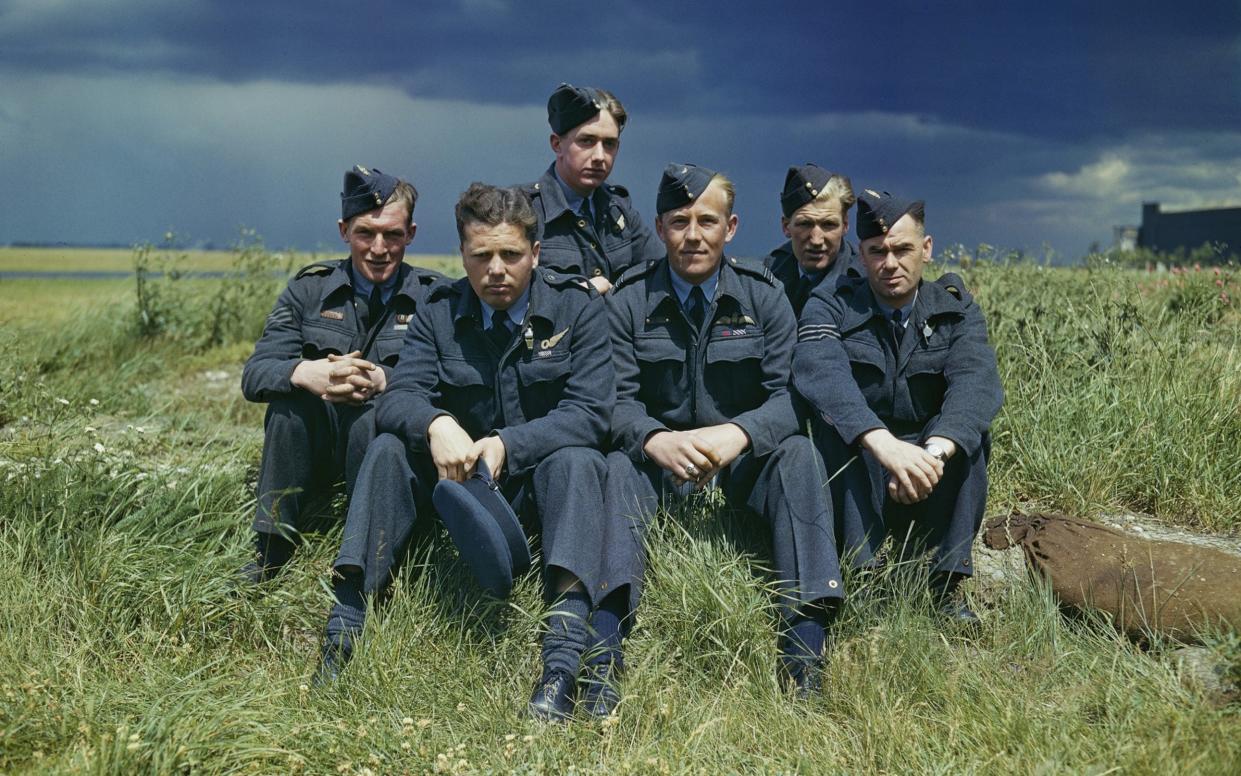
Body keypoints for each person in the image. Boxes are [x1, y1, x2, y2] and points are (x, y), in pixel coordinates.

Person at [313, 183, 619, 725]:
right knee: (387, 447)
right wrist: (437, 422)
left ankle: (563, 660)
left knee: (580, 461)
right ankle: (346, 624)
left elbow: (591, 413)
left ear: (537, 253)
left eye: (511, 255)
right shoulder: (438, 312)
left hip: (537, 489)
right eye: (482, 256)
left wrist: (508, 444)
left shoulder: (579, 309)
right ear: (463, 256)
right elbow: (400, 397)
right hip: (457, 495)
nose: (496, 270)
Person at [606, 163, 844, 700]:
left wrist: (739, 435)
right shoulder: (628, 301)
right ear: (661, 227)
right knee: (615, 467)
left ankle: (805, 645)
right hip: (658, 466)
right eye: (679, 221)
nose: (693, 236)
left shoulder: (764, 296)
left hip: (740, 464)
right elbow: (612, 401)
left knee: (800, 455)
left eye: (707, 221)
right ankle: (608, 640)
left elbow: (790, 397)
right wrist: (653, 439)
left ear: (730, 228)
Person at [791, 189, 1003, 623]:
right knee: (833, 430)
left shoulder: (955, 309)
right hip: (863, 466)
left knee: (972, 436)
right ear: (862, 254)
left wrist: (931, 457)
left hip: (929, 467)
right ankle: (863, 576)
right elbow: (821, 374)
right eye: (877, 251)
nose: (890, 263)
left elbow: (975, 384)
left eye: (902, 249)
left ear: (926, 250)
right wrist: (883, 446)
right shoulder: (831, 304)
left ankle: (945, 584)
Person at [239, 165, 440, 583]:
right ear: (344, 230)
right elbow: (255, 374)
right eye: (366, 233)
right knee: (287, 405)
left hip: (382, 452)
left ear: (412, 234)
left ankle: (369, 548)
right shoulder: (308, 289)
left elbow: (452, 384)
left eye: (393, 235)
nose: (379, 248)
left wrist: (385, 381)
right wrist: (306, 372)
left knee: (377, 416)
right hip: (316, 447)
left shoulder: (435, 297)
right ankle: (273, 547)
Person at [521, 83, 662, 294]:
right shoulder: (523, 211)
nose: (599, 157)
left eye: (609, 144)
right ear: (557, 144)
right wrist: (578, 292)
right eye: (586, 141)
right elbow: (507, 292)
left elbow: (661, 272)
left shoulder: (618, 208)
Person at [763, 163, 861, 316]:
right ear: (786, 226)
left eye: (828, 224)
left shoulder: (864, 283)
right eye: (805, 224)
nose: (816, 240)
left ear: (845, 225)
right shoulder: (767, 275)